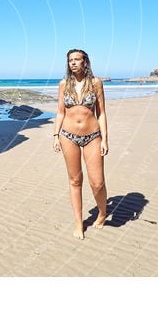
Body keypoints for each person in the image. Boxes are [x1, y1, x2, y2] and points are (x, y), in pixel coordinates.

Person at [52, 49, 109, 240]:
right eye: (70, 60)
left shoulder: (95, 83)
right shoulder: (63, 84)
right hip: (68, 136)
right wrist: (55, 135)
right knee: (75, 181)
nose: (73, 63)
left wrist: (105, 139)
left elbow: (101, 113)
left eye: (77, 59)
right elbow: (60, 112)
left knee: (97, 182)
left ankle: (102, 212)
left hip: (93, 136)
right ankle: (79, 223)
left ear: (85, 62)